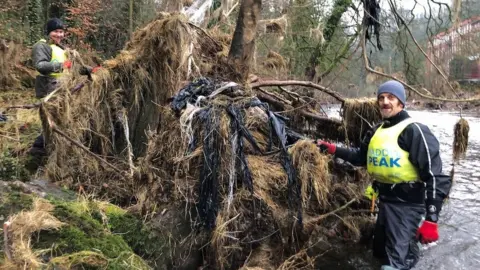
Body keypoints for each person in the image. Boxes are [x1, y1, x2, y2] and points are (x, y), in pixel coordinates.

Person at [317, 80, 452, 270]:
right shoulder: (375, 131)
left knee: (395, 264)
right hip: (386, 202)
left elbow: (435, 176)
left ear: (401, 103)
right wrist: (332, 149)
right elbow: (359, 157)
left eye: (391, 97)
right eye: (381, 98)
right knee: (379, 254)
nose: (385, 102)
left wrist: (431, 220)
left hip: (408, 207)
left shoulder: (415, 131)